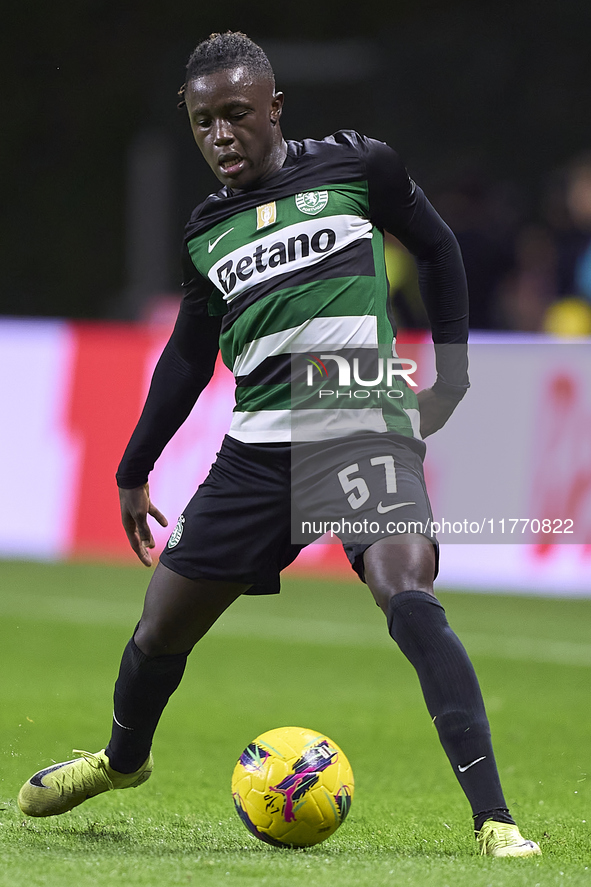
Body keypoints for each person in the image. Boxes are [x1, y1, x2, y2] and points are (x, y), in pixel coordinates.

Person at [18, 31, 540, 858]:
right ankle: (122, 762)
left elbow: (436, 248)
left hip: (360, 425)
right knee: (159, 631)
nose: (220, 135)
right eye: (202, 123)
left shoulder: (357, 167)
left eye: (234, 115)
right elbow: (189, 355)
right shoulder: (204, 236)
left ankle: (493, 818)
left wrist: (454, 372)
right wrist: (132, 463)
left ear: (273, 108)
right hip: (257, 452)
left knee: (406, 592)